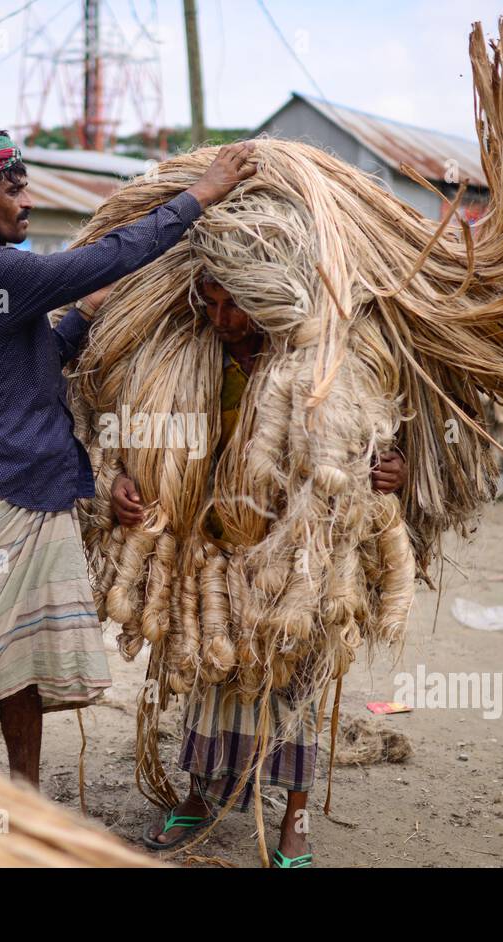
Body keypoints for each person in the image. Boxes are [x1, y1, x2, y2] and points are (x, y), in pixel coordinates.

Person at [0, 130, 258, 788]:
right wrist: (201, 193)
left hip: (33, 495)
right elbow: (104, 256)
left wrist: (83, 318)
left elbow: (39, 366)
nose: (28, 202)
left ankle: (25, 799)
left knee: (24, 666)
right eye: (14, 190)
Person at [111, 278, 405, 866]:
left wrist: (393, 466)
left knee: (295, 683)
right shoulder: (189, 358)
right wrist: (121, 474)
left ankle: (294, 818)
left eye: (234, 306)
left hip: (298, 553)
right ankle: (200, 794)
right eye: (212, 304)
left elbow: (377, 439)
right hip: (215, 542)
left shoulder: (315, 363)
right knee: (209, 675)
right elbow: (133, 429)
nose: (222, 318)